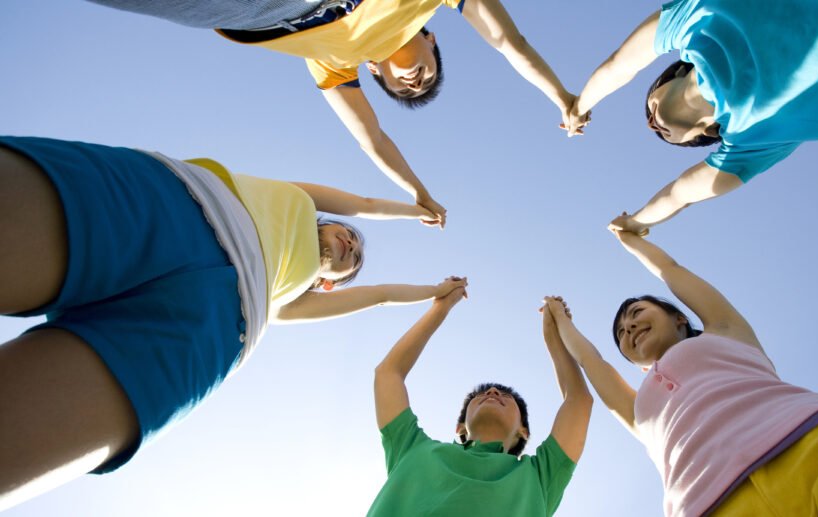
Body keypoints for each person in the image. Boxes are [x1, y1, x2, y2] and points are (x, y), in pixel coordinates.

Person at [0, 136, 464, 511]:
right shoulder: (299, 198)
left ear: (328, 285)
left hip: (212, 328)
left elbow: (380, 297)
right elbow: (360, 203)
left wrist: (434, 294)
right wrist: (417, 208)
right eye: (348, 235)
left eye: (355, 259)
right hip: (180, 203)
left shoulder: (291, 303)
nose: (351, 243)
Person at [546, 227, 818, 516]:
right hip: (706, 505)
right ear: (633, 362)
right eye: (622, 332)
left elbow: (672, 271)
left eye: (637, 314)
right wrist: (562, 320)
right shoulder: (638, 412)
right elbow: (591, 362)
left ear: (677, 318)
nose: (630, 326)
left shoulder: (727, 331)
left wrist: (631, 241)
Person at [85, 0, 579, 227]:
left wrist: (419, 193)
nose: (415, 80)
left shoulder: (334, 62)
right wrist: (560, 95)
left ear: (372, 72)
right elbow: (509, 42)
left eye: (403, 88)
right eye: (429, 74)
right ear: (432, 37)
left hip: (268, 9)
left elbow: (374, 140)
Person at [561, 0, 818, 234]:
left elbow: (618, 66)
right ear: (703, 135)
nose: (653, 123)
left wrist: (579, 106)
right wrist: (636, 223)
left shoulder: (694, 20)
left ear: (670, 74)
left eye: (647, 104)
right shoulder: (751, 141)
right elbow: (679, 195)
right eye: (664, 137)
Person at [368, 284, 592, 516]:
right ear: (460, 427)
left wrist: (553, 338)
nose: (493, 391)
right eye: (480, 395)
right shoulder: (411, 447)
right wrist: (441, 307)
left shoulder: (540, 475)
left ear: (523, 431)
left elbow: (578, 401)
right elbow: (388, 374)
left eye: (506, 396)